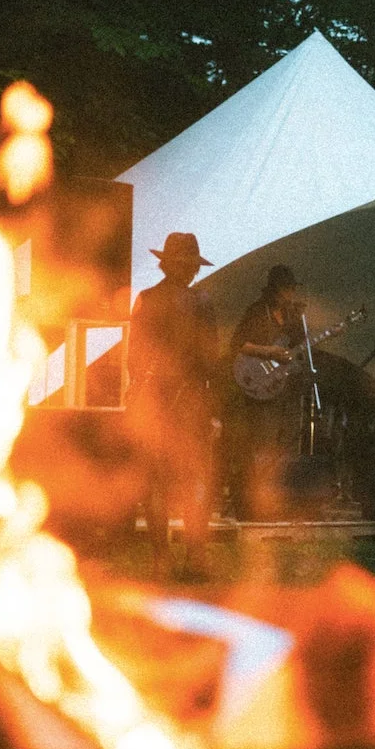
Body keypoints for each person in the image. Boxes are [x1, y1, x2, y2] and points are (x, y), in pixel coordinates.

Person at [125, 232, 219, 580]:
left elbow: (134, 356)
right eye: (192, 265)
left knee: (161, 484)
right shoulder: (201, 301)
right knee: (192, 481)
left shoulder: (148, 299)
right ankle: (192, 558)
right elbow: (211, 360)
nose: (194, 271)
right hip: (185, 405)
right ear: (184, 266)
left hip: (162, 404)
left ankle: (164, 559)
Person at [224, 265, 306, 519]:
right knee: (261, 445)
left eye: (292, 289)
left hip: (284, 388)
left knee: (285, 444)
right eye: (286, 289)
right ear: (274, 290)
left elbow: (298, 351)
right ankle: (254, 503)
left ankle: (279, 501)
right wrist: (268, 352)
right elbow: (238, 345)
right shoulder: (258, 311)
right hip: (259, 388)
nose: (290, 294)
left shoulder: (294, 318)